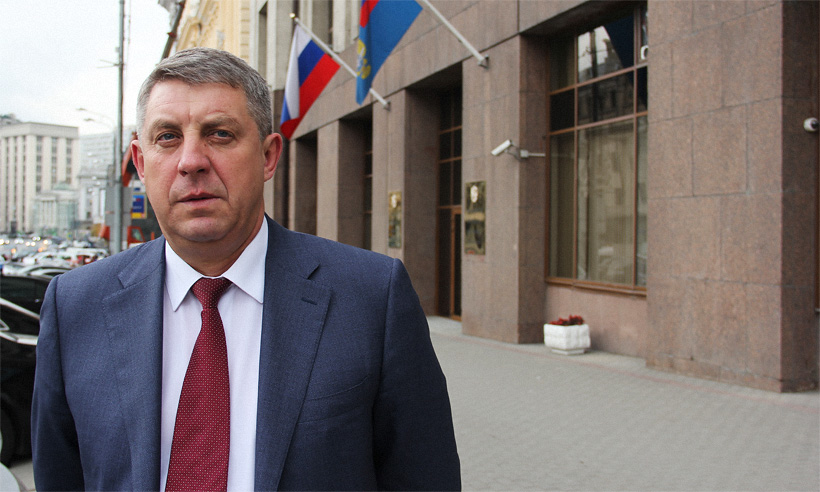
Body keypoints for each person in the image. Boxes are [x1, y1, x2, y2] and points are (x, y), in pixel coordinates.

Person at [32, 47, 460, 491]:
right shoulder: (75, 306)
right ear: (141, 163)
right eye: (168, 136)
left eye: (219, 134)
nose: (191, 161)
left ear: (268, 156)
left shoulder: (372, 298)